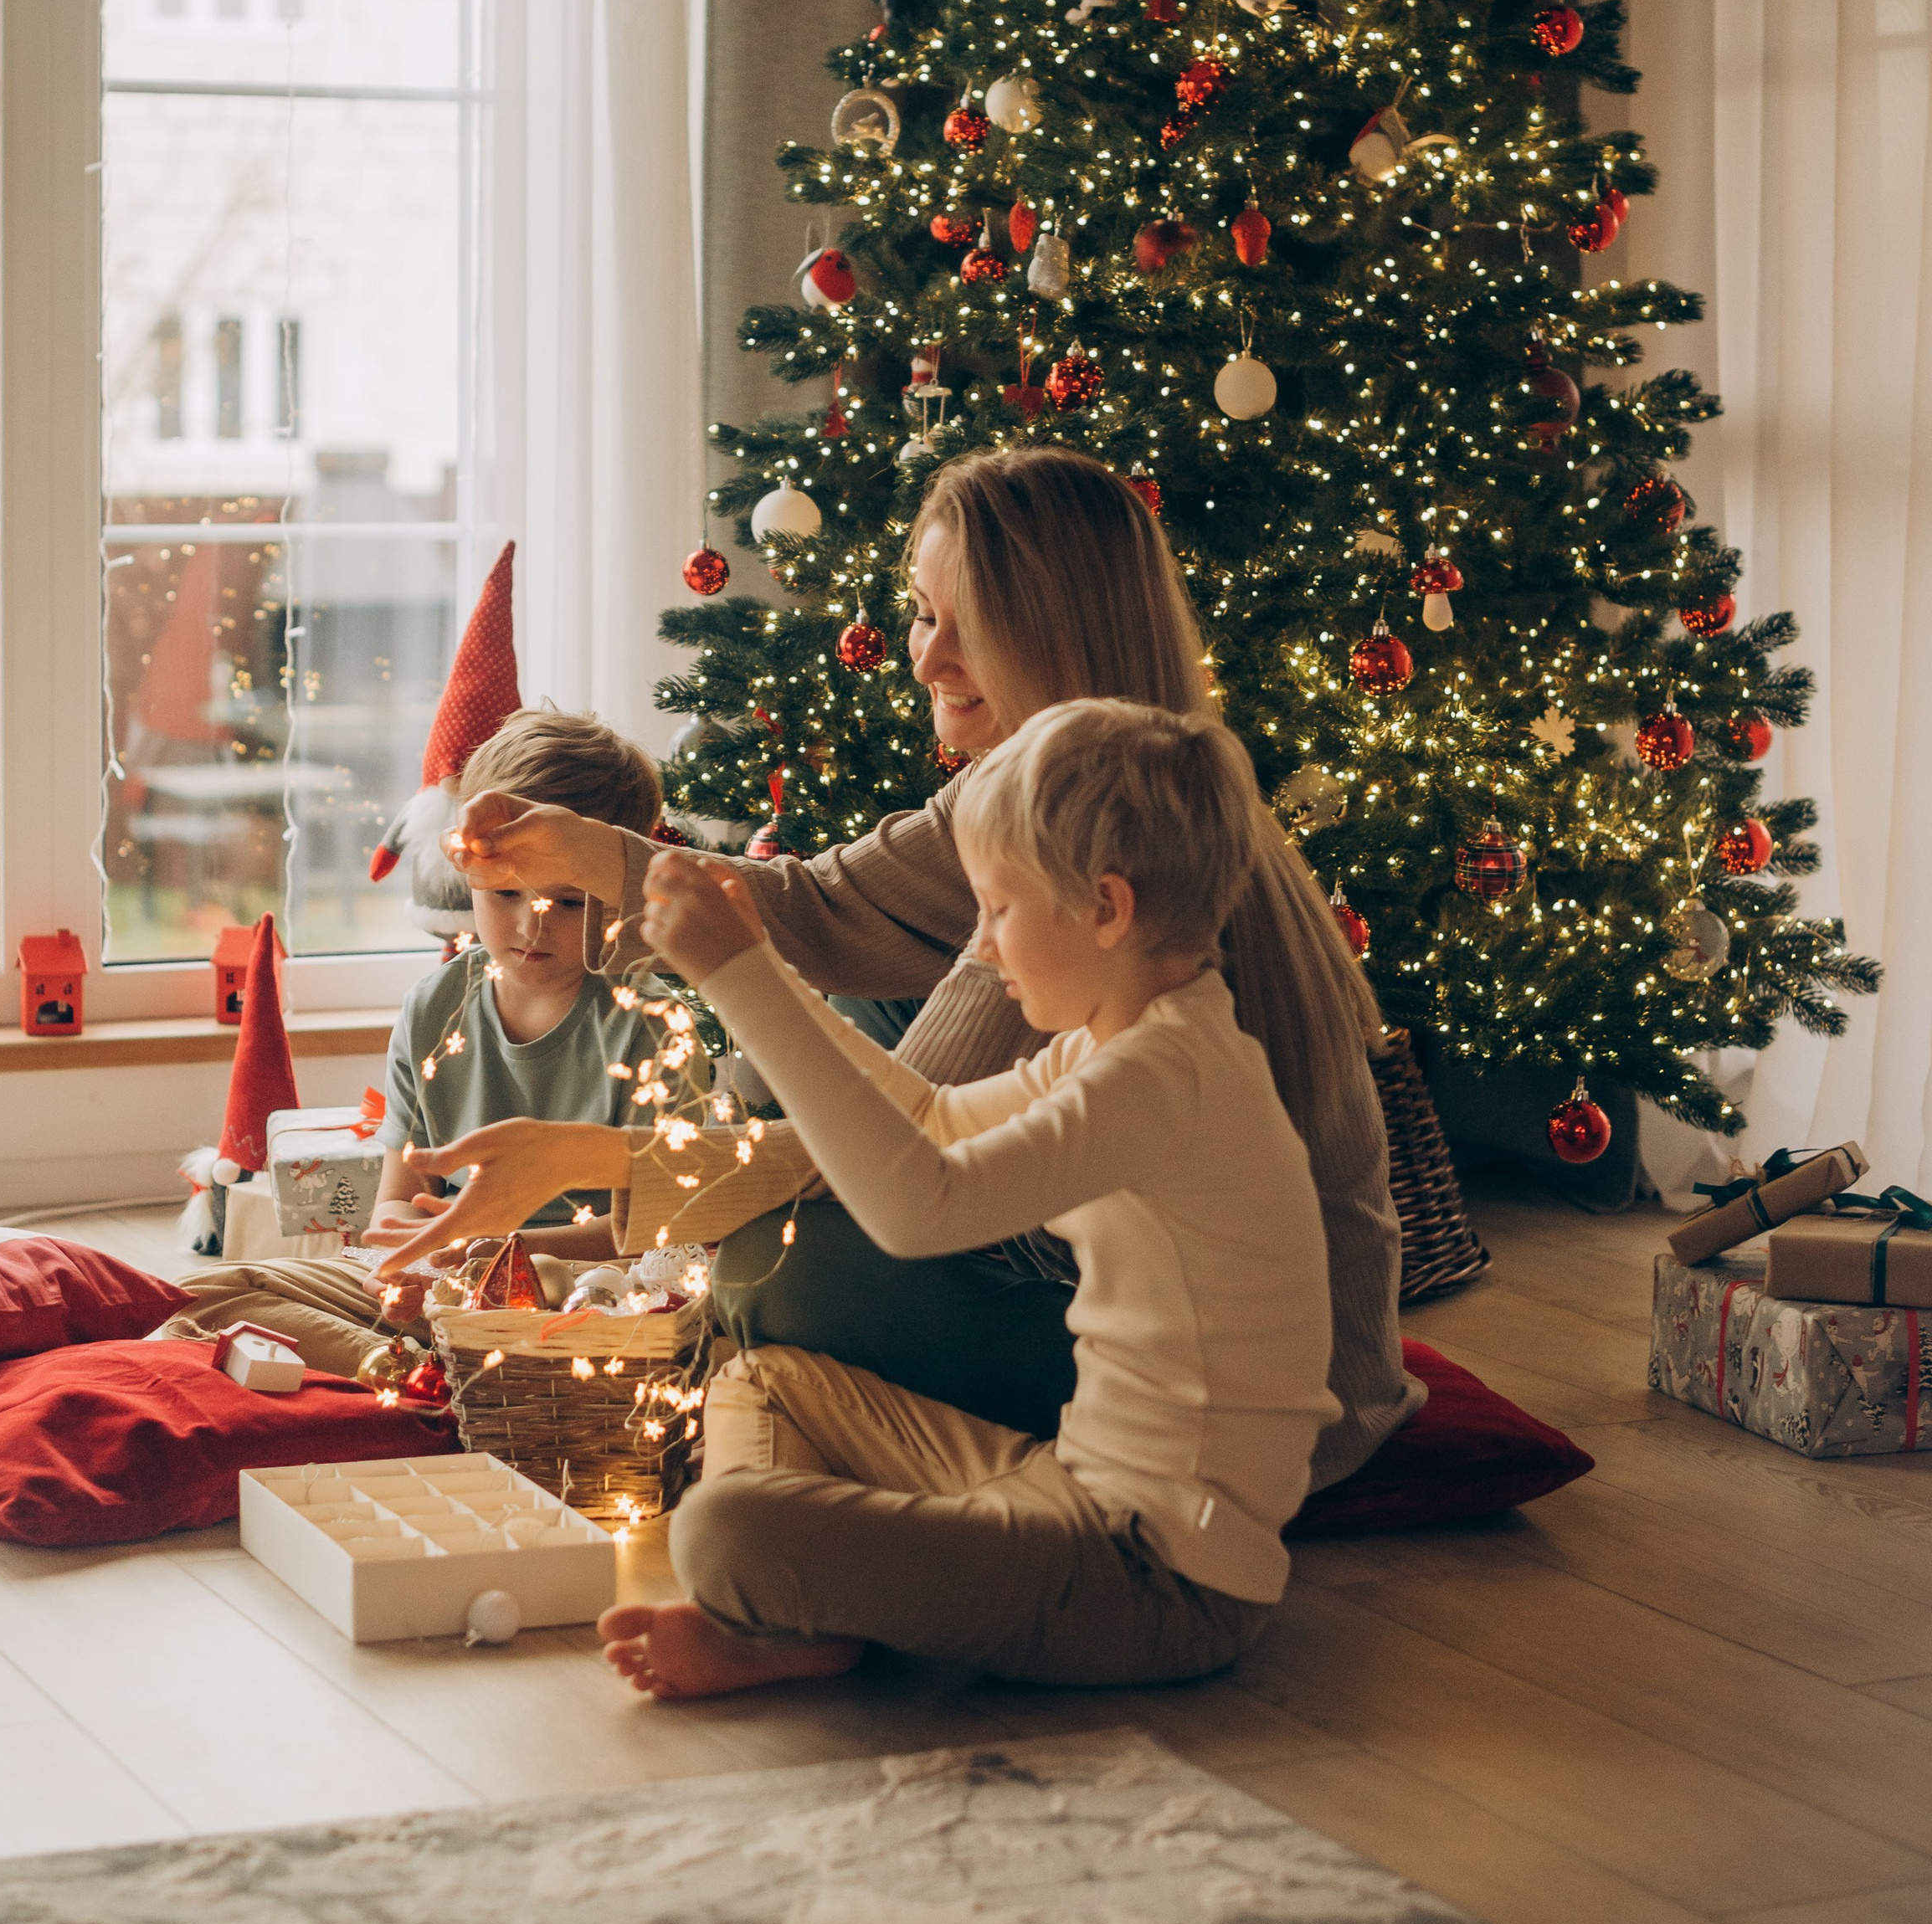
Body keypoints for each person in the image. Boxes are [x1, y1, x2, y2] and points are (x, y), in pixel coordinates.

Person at [433, 449, 1416, 1492]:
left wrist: (593, 1191)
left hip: (1246, 1418)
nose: (926, 659)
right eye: (919, 615)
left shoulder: (1085, 867)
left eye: (967, 627)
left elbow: (899, 1152)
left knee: (779, 1265)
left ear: (1058, 638)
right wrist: (587, 848)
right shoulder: (1059, 785)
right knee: (846, 994)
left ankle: (965, 1479)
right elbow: (823, 907)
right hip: (1130, 1288)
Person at [381, 700, 1339, 1696]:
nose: (987, 949)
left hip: (1159, 1575)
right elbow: (922, 1116)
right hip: (1071, 1486)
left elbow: (918, 1206)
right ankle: (800, 1616)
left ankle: (792, 1599)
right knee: (762, 1380)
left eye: (1000, 911)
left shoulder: (1160, 1078)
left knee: (719, 1526)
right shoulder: (1129, 1046)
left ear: (1105, 908)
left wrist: (739, 972)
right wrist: (750, 980)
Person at [156, 708, 660, 1378]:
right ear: (469, 870)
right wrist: (405, 1260)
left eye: (568, 902)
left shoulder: (645, 1023)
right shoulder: (435, 1007)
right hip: (446, 1276)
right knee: (200, 1297)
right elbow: (397, 1195)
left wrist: (496, 1252)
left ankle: (425, 1374)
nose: (530, 924)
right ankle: (405, 1370)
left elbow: (645, 1239)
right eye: (507, 891)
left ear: (618, 888)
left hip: (575, 1294)